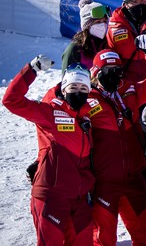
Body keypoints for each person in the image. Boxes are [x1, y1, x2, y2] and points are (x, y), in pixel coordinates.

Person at [3, 59, 97, 245]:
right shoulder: (50, 112)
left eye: (83, 88)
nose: (78, 91)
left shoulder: (86, 117)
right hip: (52, 197)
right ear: (64, 88)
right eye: (73, 86)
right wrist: (31, 70)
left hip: (79, 199)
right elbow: (11, 101)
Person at [88, 36, 146, 246]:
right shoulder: (86, 99)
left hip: (133, 177)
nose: (115, 76)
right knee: (103, 238)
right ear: (96, 74)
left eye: (118, 70)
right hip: (104, 181)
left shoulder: (129, 89)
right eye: (109, 72)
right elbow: (57, 121)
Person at [62, 0, 111, 73]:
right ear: (87, 25)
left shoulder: (110, 44)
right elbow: (68, 80)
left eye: (105, 21)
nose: (103, 25)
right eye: (98, 22)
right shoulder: (75, 49)